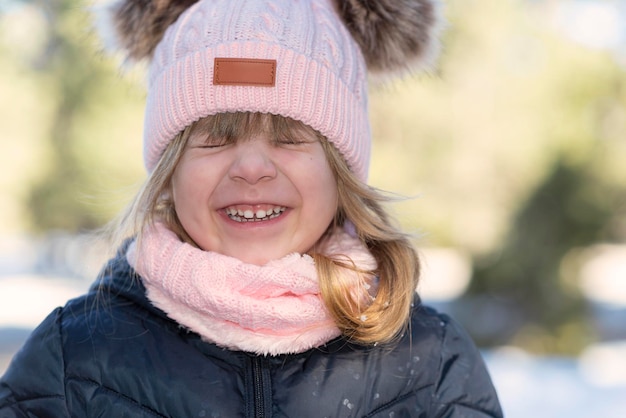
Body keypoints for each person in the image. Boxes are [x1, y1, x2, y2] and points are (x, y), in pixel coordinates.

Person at [0, 0, 503, 416]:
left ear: (341, 170)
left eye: (289, 137)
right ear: (170, 171)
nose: (253, 167)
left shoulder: (431, 366)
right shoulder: (72, 362)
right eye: (216, 138)